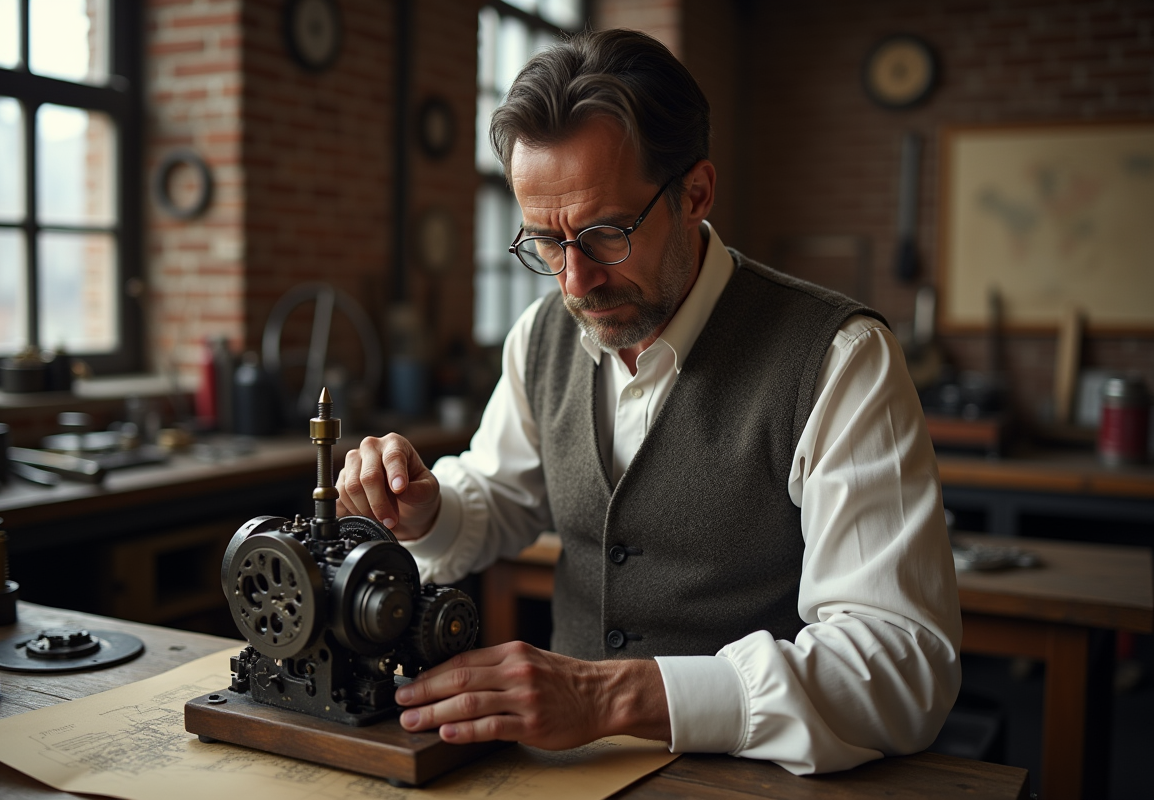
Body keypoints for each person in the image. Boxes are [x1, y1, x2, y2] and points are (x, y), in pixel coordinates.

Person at [336, 28, 961, 775]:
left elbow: (900, 664)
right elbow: (502, 491)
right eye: (545, 242)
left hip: (753, 778)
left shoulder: (840, 359)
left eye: (605, 235)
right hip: (568, 775)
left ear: (695, 194)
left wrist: (612, 697)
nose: (574, 283)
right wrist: (428, 509)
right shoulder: (540, 335)